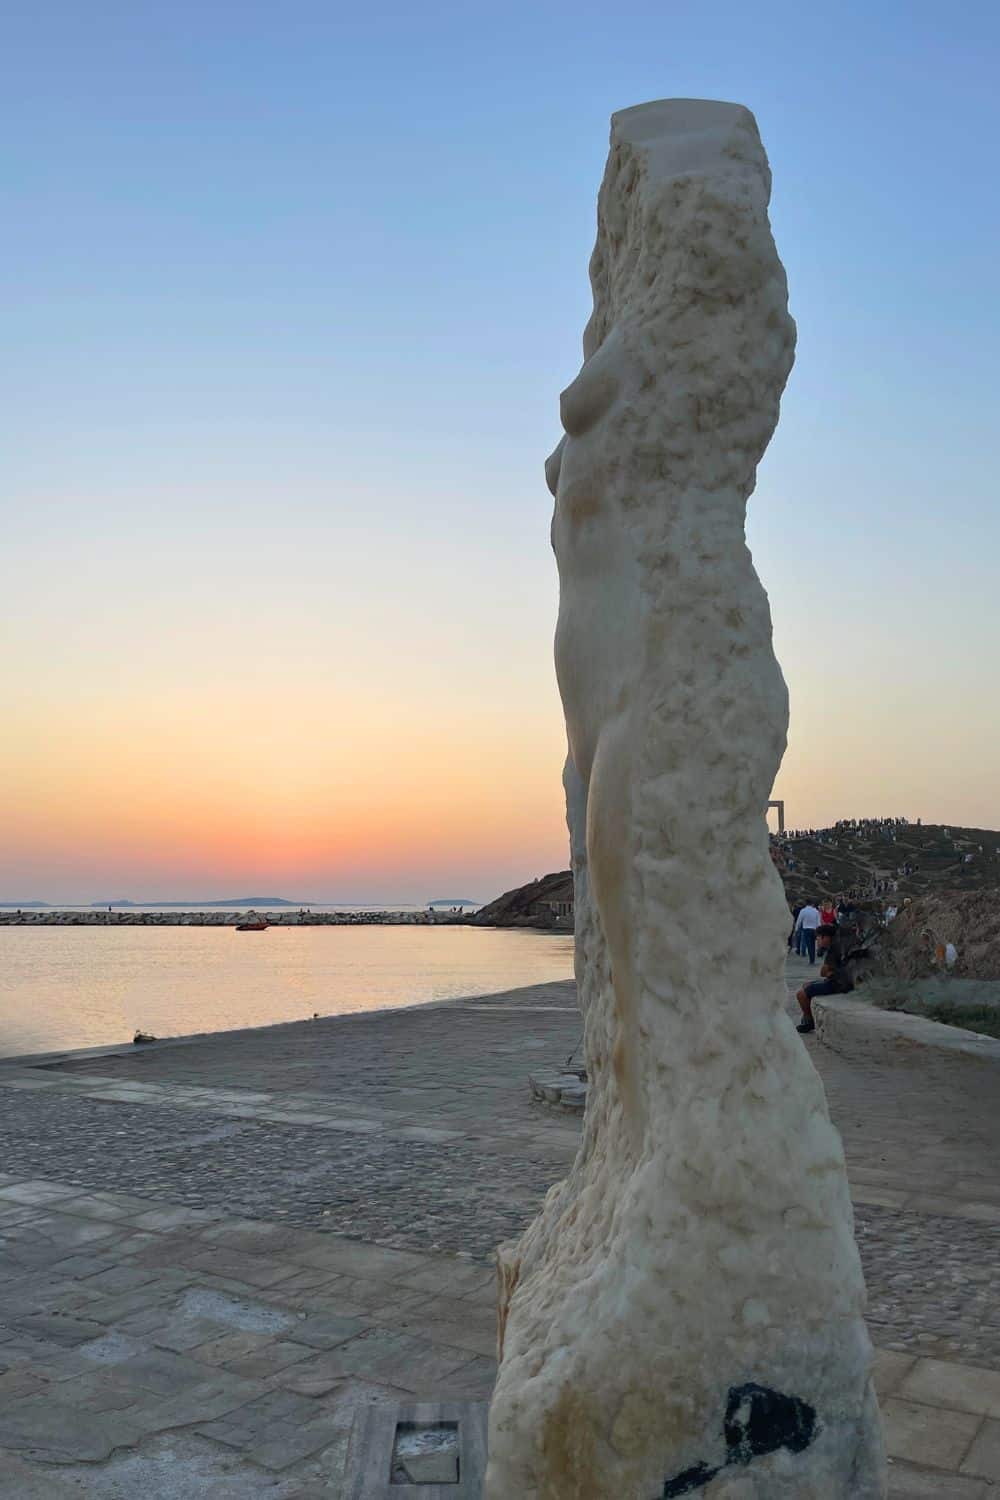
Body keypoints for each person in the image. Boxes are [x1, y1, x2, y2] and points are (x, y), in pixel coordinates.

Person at [796, 928, 854, 1034]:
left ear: (825, 938)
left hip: (838, 984)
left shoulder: (833, 949)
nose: (817, 940)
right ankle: (807, 1019)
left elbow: (823, 972)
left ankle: (809, 1021)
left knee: (801, 994)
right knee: (807, 985)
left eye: (818, 938)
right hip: (842, 981)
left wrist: (828, 973)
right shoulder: (839, 945)